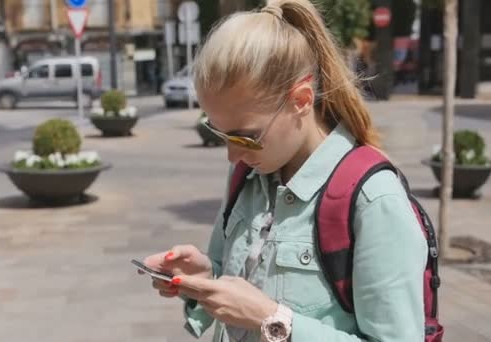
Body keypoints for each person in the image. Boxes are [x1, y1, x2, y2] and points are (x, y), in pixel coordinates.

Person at [141, 1, 429, 341]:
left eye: (245, 137)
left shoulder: (374, 200)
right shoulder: (248, 177)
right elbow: (239, 285)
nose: (232, 155)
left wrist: (273, 319)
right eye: (220, 134)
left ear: (302, 100)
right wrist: (205, 278)